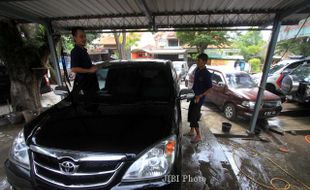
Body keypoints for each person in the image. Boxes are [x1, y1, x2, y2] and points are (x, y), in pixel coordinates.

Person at [184, 53, 213, 143]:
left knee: (194, 116)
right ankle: (192, 131)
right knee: (190, 112)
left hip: (199, 99)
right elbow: (195, 84)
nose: (197, 62)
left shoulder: (206, 74)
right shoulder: (197, 70)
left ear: (204, 62)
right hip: (193, 95)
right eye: (197, 60)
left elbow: (210, 88)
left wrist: (200, 96)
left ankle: (199, 136)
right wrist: (190, 93)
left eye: (199, 61)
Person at [70, 27, 99, 96]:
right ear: (75, 38)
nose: (84, 39)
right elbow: (74, 68)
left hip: (91, 84)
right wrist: (89, 70)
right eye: (81, 36)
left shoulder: (83, 50)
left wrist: (93, 66)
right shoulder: (75, 51)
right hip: (84, 86)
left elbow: (86, 66)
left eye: (84, 36)